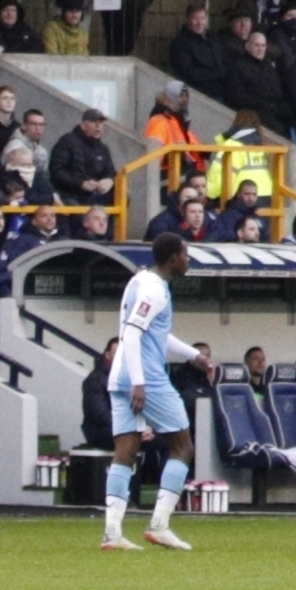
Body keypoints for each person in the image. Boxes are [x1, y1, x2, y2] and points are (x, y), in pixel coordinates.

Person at [97, 228, 197, 553]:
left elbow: (156, 333)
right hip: (146, 378)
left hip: (118, 376)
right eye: (185, 254)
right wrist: (139, 381)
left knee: (125, 452)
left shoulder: (139, 281)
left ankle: (112, 533)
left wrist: (194, 356)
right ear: (173, 258)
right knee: (182, 445)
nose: (188, 259)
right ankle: (160, 525)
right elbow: (133, 333)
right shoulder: (155, 290)